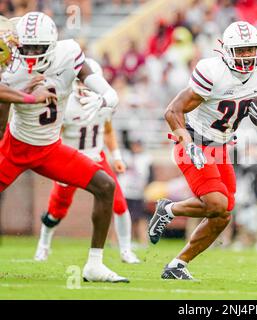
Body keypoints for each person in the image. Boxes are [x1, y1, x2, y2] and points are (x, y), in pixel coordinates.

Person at [147, 21, 257, 280]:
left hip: (222, 146)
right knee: (217, 203)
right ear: (227, 51)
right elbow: (172, 111)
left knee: (224, 213)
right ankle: (167, 211)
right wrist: (187, 143)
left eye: (251, 49)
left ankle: (177, 263)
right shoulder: (212, 72)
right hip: (193, 141)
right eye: (240, 50)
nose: (246, 56)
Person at [0, 12, 127, 282]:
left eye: (37, 48)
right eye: (27, 47)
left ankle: (94, 265)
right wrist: (28, 97)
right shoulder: (11, 63)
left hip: (50, 148)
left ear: (52, 44)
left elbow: (98, 83)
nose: (31, 54)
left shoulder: (68, 53)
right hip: (15, 147)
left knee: (105, 186)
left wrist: (107, 96)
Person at [34, 58, 140, 264]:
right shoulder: (66, 105)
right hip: (71, 158)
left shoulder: (104, 103)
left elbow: (107, 131)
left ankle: (126, 250)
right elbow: (54, 135)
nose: (83, 86)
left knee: (119, 203)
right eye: (80, 82)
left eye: (86, 82)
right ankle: (43, 245)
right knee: (57, 210)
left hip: (97, 157)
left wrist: (116, 156)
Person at [119, 139, 154, 246]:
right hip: (125, 192)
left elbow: (150, 176)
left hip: (139, 193)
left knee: (141, 218)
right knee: (122, 217)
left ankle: (143, 241)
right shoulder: (125, 156)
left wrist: (146, 188)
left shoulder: (146, 159)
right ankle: (117, 241)